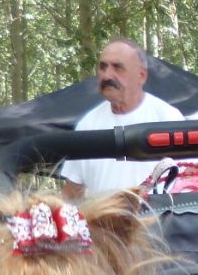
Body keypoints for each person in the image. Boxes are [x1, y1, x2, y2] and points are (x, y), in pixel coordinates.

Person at [60, 39, 184, 200]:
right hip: (102, 223)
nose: (107, 75)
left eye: (117, 67)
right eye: (103, 67)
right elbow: (71, 194)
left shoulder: (169, 119)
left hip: (158, 222)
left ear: (141, 75)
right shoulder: (87, 126)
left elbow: (190, 181)